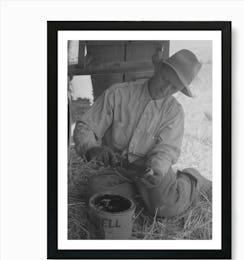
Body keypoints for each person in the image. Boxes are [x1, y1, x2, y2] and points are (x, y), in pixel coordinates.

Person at [73, 49, 211, 218]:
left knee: (166, 208)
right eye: (165, 79)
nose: (166, 89)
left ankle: (192, 180)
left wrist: (156, 170)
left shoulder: (174, 112)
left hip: (149, 171)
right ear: (157, 70)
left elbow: (166, 150)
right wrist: (90, 148)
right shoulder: (118, 93)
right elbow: (86, 125)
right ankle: (145, 195)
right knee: (94, 192)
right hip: (117, 169)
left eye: (174, 87)